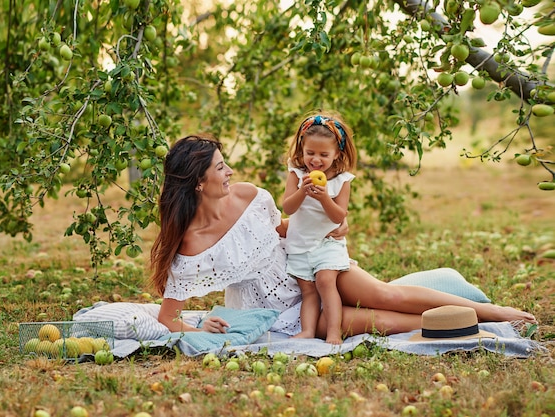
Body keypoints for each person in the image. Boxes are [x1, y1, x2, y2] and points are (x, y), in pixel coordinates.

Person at [149, 134, 536, 338]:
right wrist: (201, 325)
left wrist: (332, 228)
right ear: (199, 183)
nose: (231, 171)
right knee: (387, 322)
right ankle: (480, 328)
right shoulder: (192, 245)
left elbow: (281, 230)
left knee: (387, 295)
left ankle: (497, 314)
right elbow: (169, 319)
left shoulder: (251, 196)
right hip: (276, 312)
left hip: (312, 262)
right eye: (221, 168)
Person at [282, 112, 357, 344]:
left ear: (337, 155)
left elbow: (338, 216)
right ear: (301, 150)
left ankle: (334, 331)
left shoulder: (342, 180)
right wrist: (302, 192)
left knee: (325, 281)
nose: (316, 160)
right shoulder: (296, 174)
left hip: (327, 243)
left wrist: (325, 198)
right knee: (308, 291)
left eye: (324, 155)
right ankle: (308, 331)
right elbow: (287, 208)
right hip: (300, 243)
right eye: (310, 153)